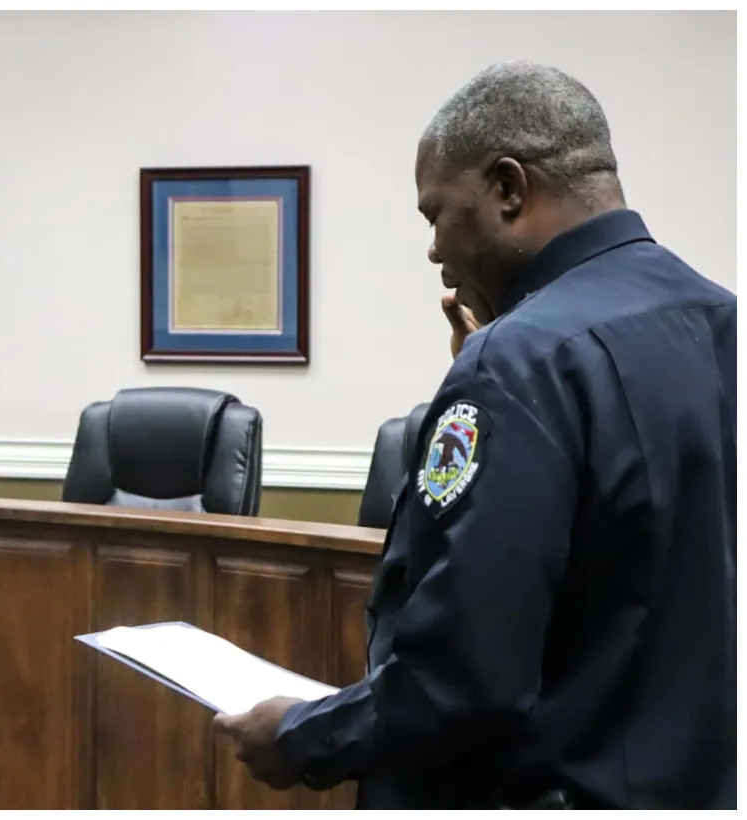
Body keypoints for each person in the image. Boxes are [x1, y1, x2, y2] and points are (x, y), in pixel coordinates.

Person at [215, 61, 736, 809]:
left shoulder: (521, 361)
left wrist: (302, 736)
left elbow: (466, 674)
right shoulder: (720, 320)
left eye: (435, 214)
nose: (433, 249)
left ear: (508, 187)